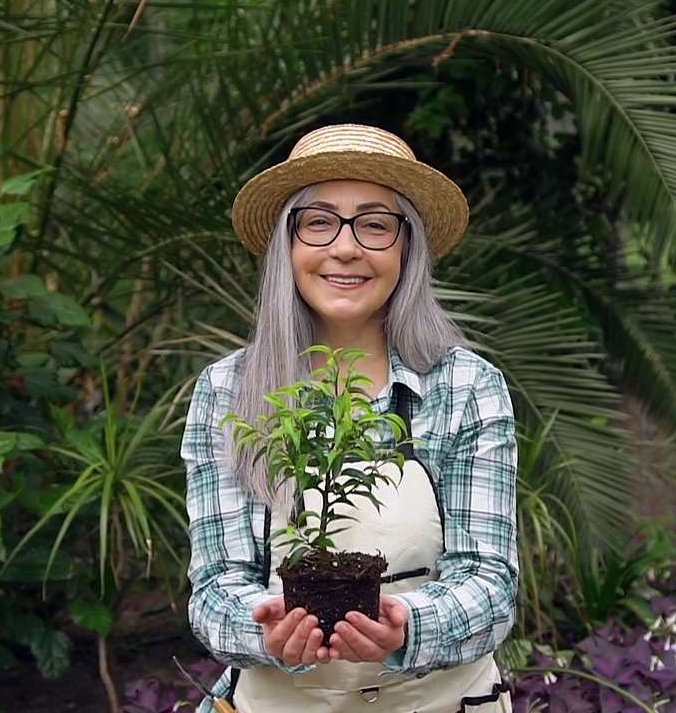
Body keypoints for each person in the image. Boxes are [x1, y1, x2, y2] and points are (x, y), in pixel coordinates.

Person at [181, 123, 519, 712]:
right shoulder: (228, 392)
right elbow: (215, 588)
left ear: (406, 248)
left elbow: (491, 580)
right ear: (287, 246)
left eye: (375, 224)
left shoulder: (465, 386)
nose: (345, 247)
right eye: (318, 221)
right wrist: (262, 628)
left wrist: (407, 625)